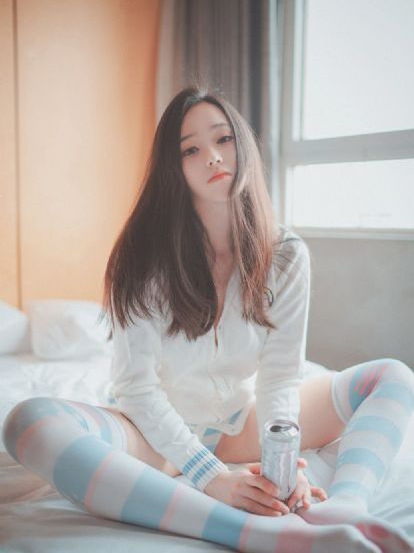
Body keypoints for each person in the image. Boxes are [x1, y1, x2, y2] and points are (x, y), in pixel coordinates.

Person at [2, 86, 414, 553]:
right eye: (190, 150)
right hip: (150, 435)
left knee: (393, 376)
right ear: (173, 169)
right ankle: (256, 534)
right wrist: (212, 477)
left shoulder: (285, 255)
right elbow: (137, 389)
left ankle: (345, 509)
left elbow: (280, 376)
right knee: (27, 422)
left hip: (240, 424)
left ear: (243, 144)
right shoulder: (143, 259)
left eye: (223, 139)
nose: (213, 157)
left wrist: (281, 463)